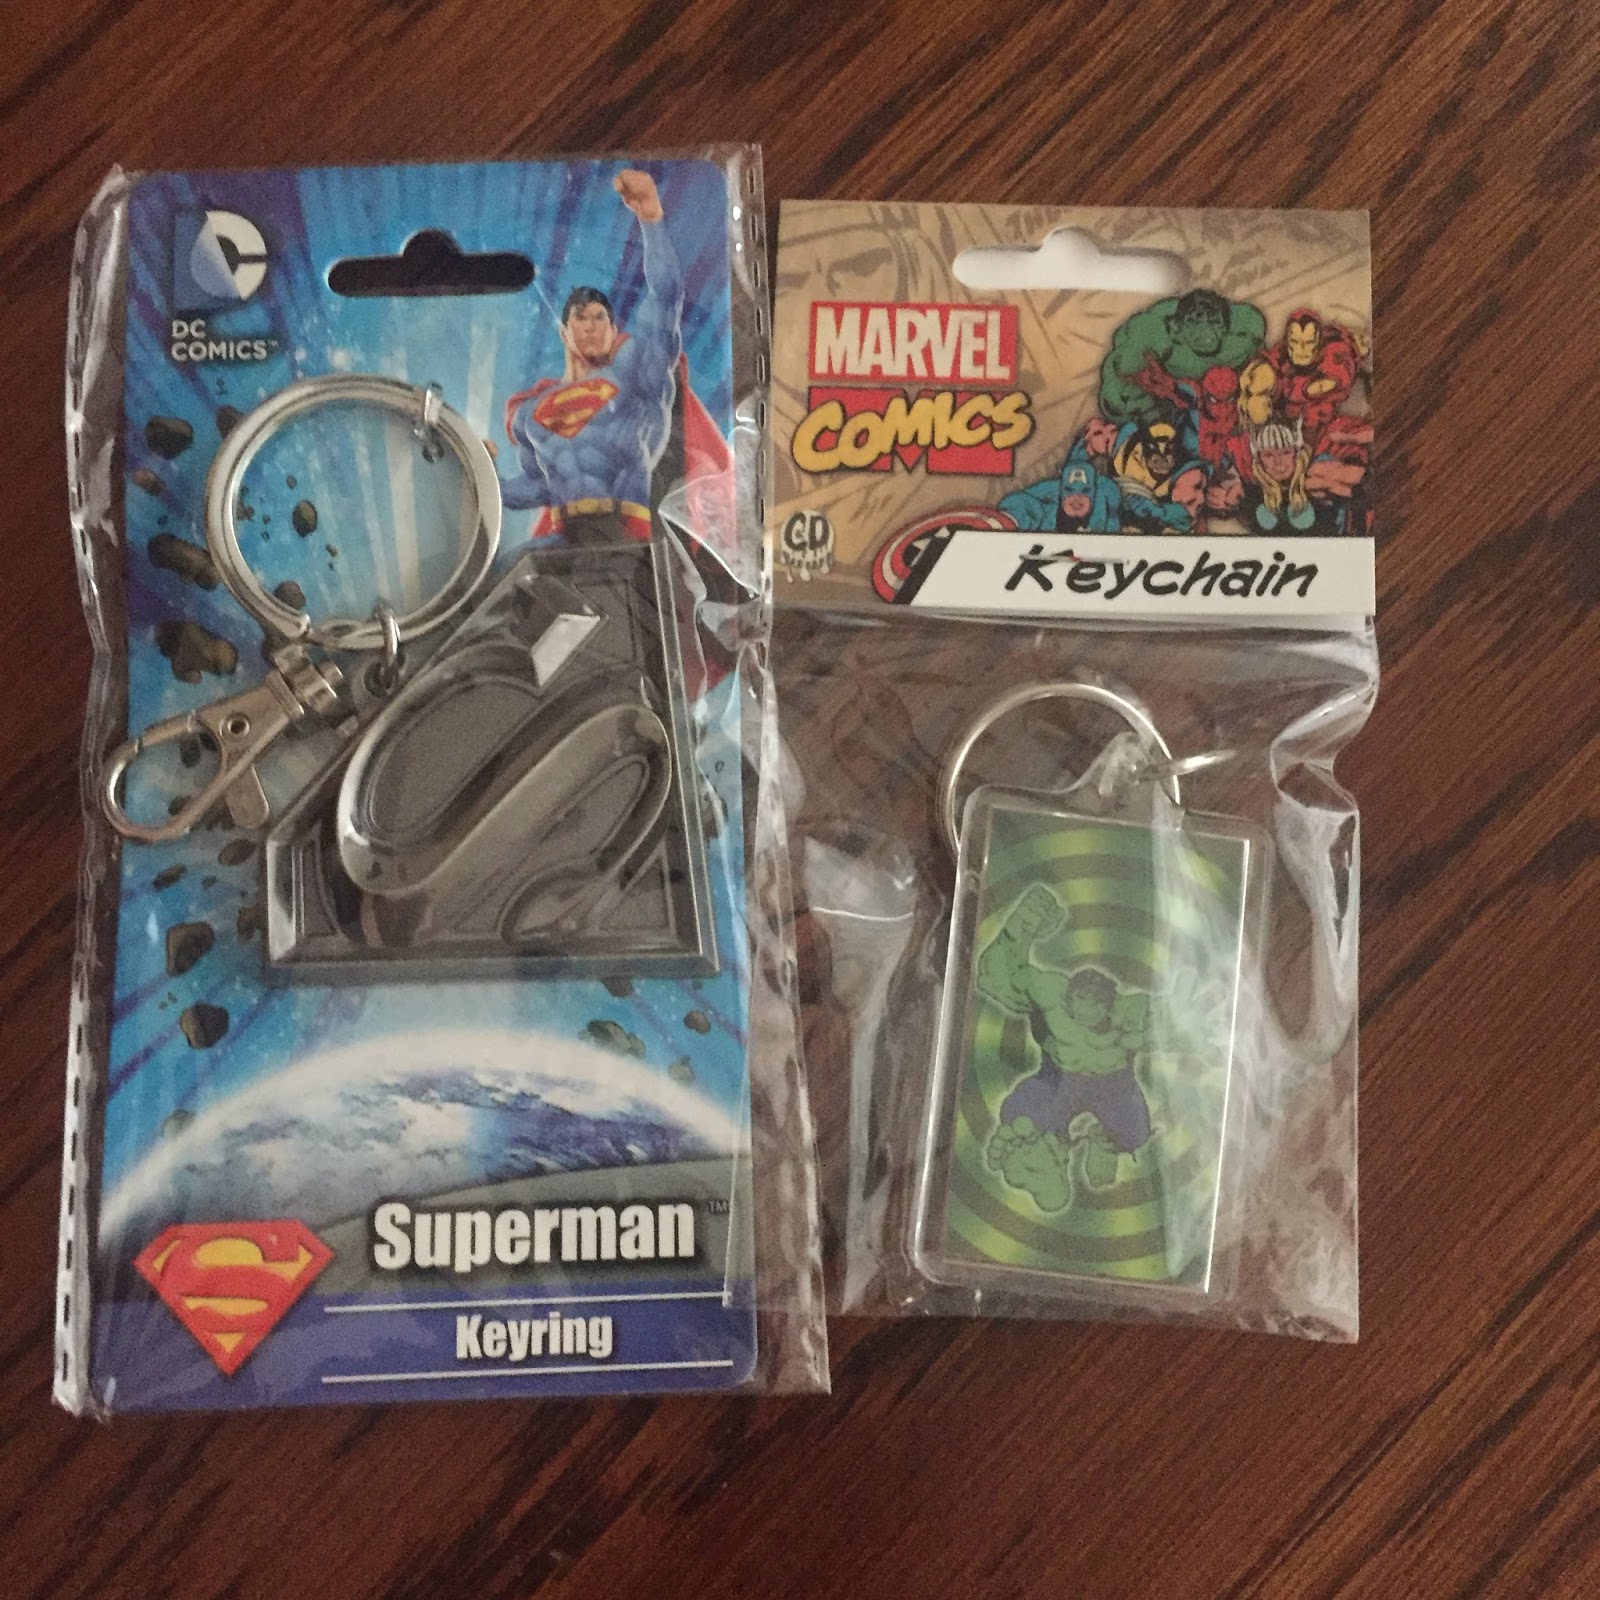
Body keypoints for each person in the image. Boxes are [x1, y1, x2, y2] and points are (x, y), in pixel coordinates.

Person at [977, 884, 1155, 1211]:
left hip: (1115, 1088)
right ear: (1070, 994)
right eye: (1080, 999)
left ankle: (1104, 1143)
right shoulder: (1049, 994)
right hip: (1056, 1079)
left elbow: (1180, 1029)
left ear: (1107, 1004)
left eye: (1094, 1003)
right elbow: (995, 979)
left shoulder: (1130, 1013)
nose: (1085, 1008)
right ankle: (1044, 1157)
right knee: (1019, 1115)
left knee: (1134, 1130)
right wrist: (1019, 931)